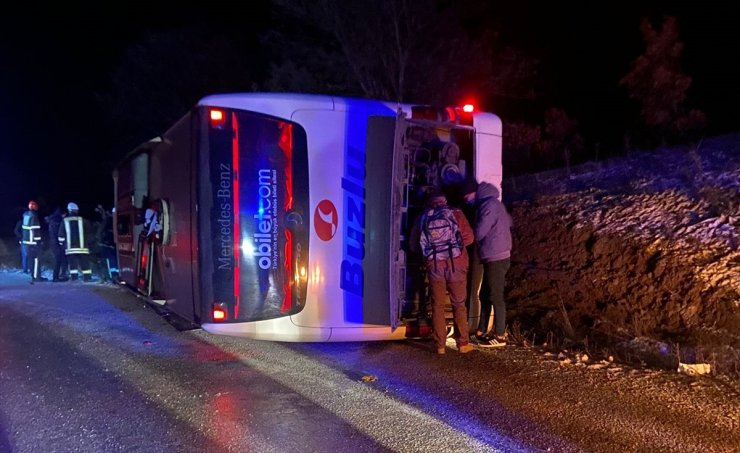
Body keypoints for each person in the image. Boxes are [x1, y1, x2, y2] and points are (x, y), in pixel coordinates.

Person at [410, 188, 475, 354]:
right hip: (457, 264)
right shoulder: (456, 213)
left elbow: (413, 245)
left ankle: (440, 345)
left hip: (435, 266)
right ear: (444, 201)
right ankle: (463, 344)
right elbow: (469, 238)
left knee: (437, 305)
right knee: (459, 304)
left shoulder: (423, 217)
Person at [462, 178, 512, 348]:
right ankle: (481, 330)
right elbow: (509, 223)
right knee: (485, 294)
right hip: (493, 255)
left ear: (474, 194)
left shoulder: (488, 205)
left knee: (496, 296)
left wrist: (468, 232)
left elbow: (480, 231)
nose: (466, 200)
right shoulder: (494, 204)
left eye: (467, 196)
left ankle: (500, 335)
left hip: (496, 257)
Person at [58, 202, 93, 282]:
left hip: (70, 248)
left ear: (69, 210)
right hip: (83, 247)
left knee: (73, 264)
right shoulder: (83, 220)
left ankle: (74, 278)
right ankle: (87, 277)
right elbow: (90, 232)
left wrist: (62, 244)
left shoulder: (65, 221)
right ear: (77, 210)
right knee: (85, 263)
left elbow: (61, 235)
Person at [21, 200, 46, 282]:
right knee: (37, 260)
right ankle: (37, 277)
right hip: (33, 243)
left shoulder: (26, 215)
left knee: (31, 260)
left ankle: (32, 276)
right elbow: (36, 230)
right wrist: (39, 241)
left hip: (26, 242)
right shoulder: (34, 216)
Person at [44, 207, 68, 281]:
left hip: (54, 242)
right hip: (56, 243)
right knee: (58, 259)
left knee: (60, 259)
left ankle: (60, 275)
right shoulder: (57, 221)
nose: (65, 216)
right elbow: (58, 233)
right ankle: (56, 277)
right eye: (64, 214)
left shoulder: (53, 220)